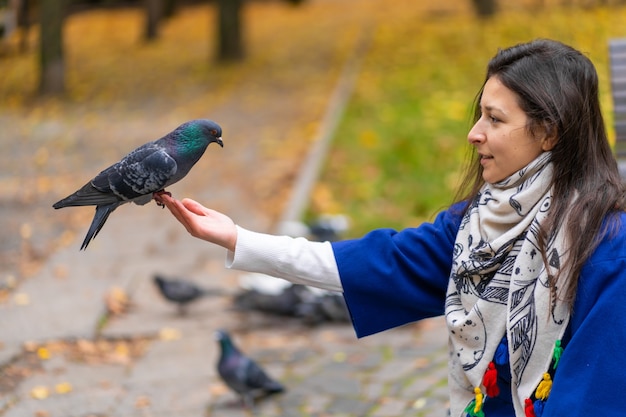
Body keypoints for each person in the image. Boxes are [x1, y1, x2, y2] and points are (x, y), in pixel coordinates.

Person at [161, 38, 626, 417]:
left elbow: (593, 399)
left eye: (496, 119)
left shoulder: (608, 250)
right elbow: (383, 262)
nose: (474, 132)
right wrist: (240, 239)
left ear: (549, 133)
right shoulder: (480, 225)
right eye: (480, 113)